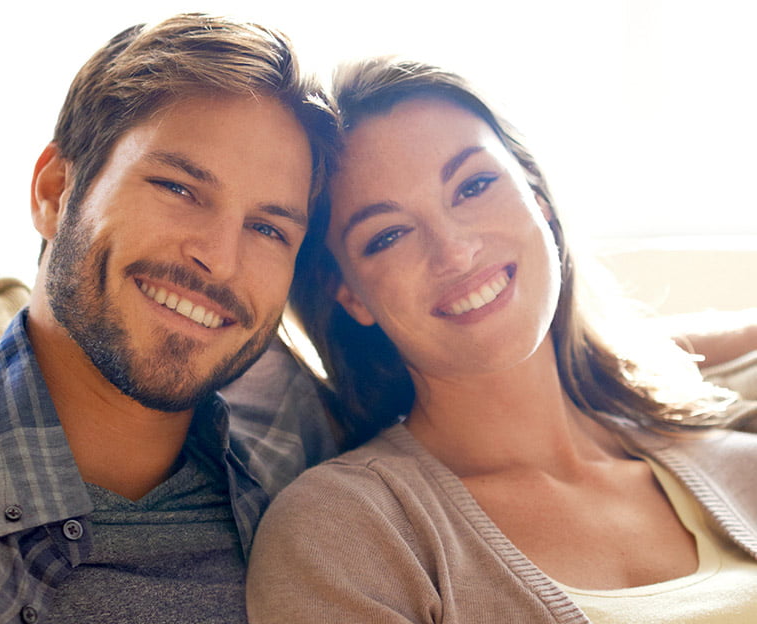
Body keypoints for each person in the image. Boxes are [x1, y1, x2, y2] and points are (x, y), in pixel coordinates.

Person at [0, 14, 338, 623]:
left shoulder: (311, 470)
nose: (221, 261)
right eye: (178, 188)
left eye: (268, 228)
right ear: (55, 190)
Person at [246, 57, 757, 623]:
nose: (455, 252)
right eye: (388, 235)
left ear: (537, 198)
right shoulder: (346, 530)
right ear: (351, 296)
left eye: (475, 186)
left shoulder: (741, 461)